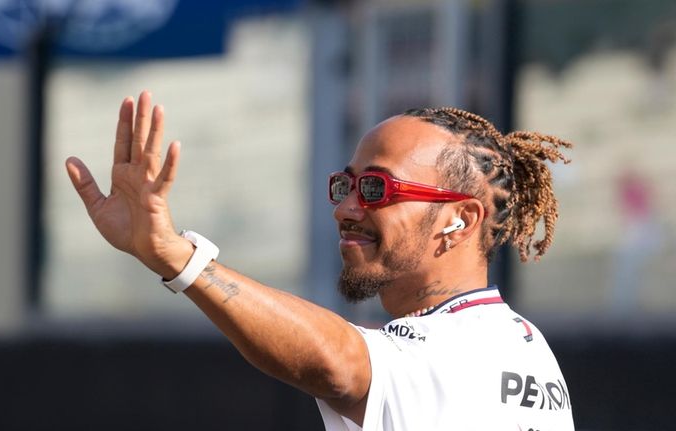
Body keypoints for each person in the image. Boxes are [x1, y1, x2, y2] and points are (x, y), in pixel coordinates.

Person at [65, 91, 575, 430]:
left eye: (377, 187)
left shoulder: (465, 345)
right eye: (346, 185)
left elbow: (338, 364)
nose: (347, 208)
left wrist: (178, 257)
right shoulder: (519, 344)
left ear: (460, 219)